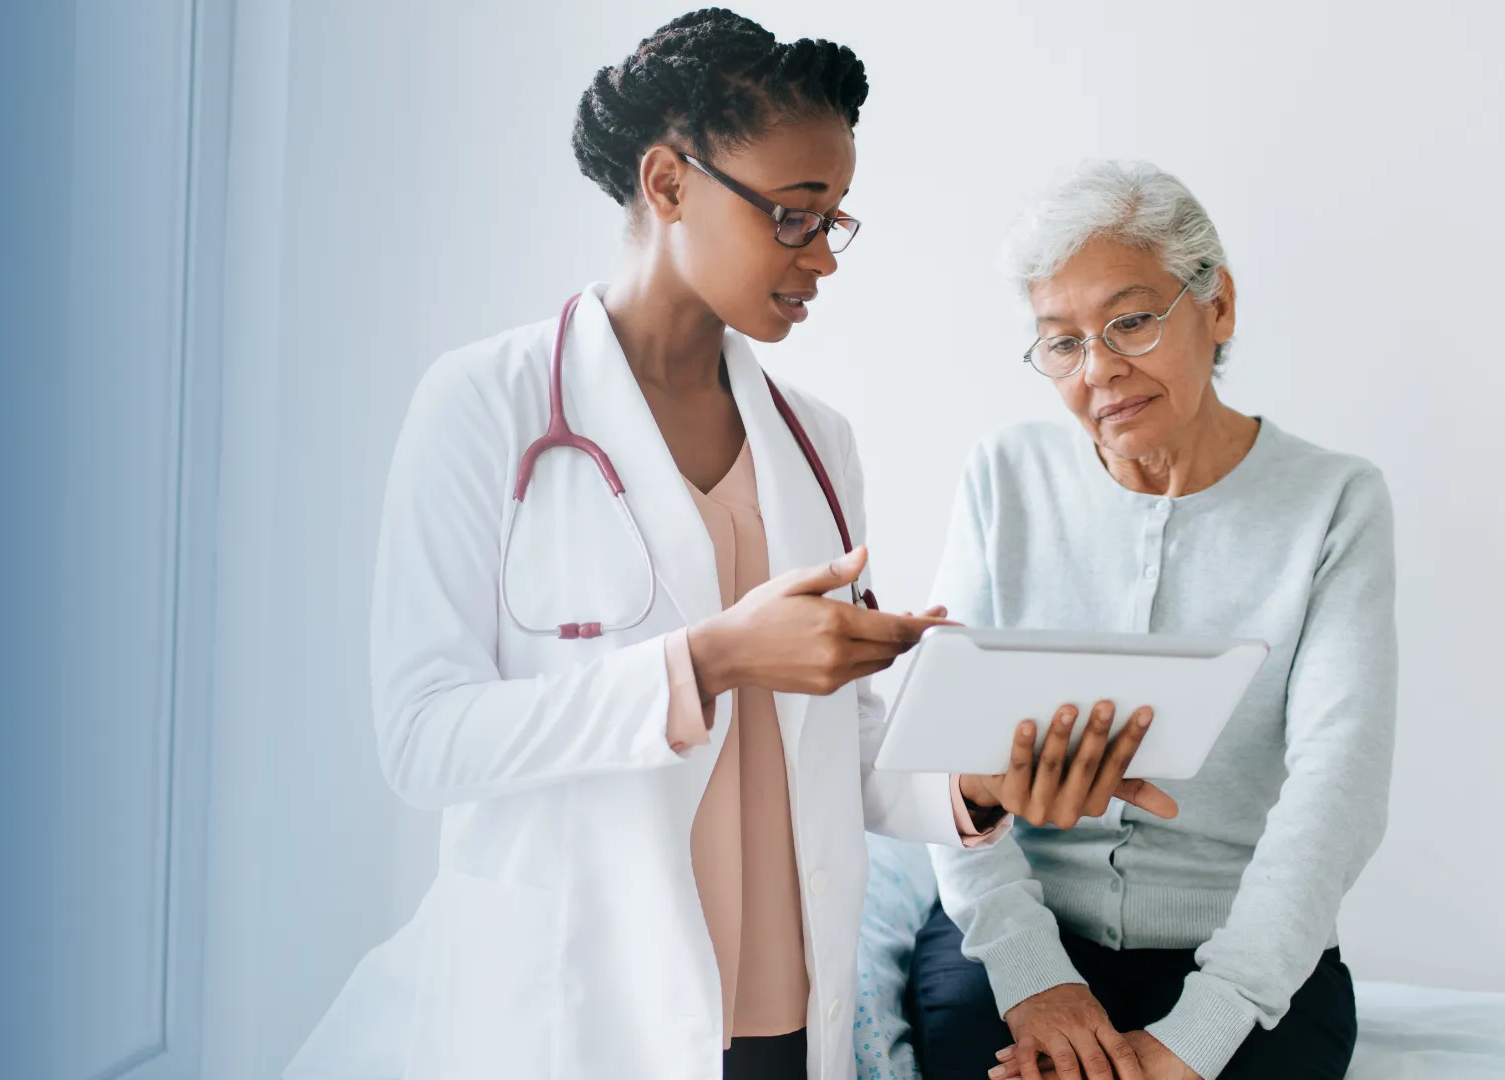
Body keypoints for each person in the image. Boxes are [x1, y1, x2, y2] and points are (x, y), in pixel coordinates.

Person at [285, 15, 1172, 1080]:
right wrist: (707, 662)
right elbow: (425, 741)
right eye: (796, 217)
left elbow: (829, 747)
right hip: (576, 1004)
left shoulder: (817, 441)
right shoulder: (485, 405)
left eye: (836, 222)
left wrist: (979, 787)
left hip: (780, 1013)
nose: (822, 260)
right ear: (668, 183)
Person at [909, 161, 1397, 1080]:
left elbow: (1340, 787)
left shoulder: (1336, 502)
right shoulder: (1003, 477)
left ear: (1218, 307)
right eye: (1062, 343)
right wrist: (1028, 976)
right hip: (1021, 930)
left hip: (1245, 950)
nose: (1099, 371)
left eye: (1130, 321)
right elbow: (945, 760)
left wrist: (1202, 1030)